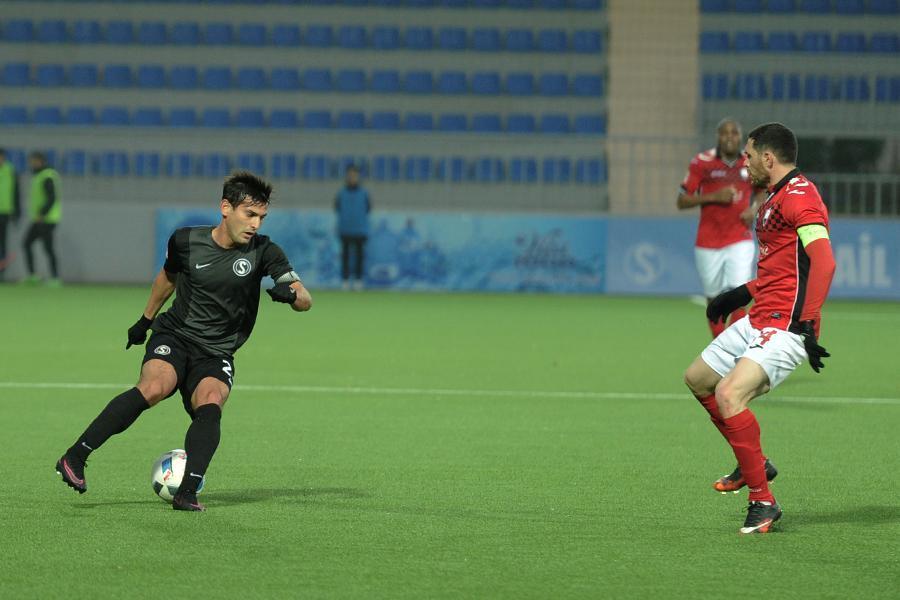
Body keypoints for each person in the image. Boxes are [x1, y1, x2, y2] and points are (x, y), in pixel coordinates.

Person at [55, 172, 312, 511]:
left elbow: (305, 298)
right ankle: (75, 457)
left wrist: (291, 295)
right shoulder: (186, 241)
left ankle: (186, 493)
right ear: (226, 208)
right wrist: (145, 320)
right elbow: (167, 278)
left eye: (261, 217)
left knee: (211, 400)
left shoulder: (264, 251)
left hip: (216, 351)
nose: (255, 224)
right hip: (175, 335)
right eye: (249, 214)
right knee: (155, 387)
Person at [683, 123, 836, 534]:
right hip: (759, 316)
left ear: (768, 158)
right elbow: (781, 270)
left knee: (729, 394)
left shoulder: (800, 197)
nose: (744, 163)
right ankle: (754, 462)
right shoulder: (773, 196)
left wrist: (808, 322)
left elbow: (823, 262)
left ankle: (763, 501)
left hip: (786, 325)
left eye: (749, 156)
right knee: (698, 379)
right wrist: (739, 294)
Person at [678, 119, 767, 338]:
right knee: (714, 299)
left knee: (739, 294)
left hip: (740, 238)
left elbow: (762, 192)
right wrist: (713, 197)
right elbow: (682, 201)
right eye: (725, 133)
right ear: (718, 136)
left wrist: (754, 210)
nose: (729, 137)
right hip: (707, 241)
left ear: (740, 137)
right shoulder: (702, 162)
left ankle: (733, 348)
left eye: (734, 133)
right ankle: (720, 346)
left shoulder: (749, 162)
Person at [22, 151, 62, 286]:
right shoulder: (39, 176)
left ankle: (55, 278)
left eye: (34, 161)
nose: (32, 164)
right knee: (27, 243)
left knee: (48, 248)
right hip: (40, 219)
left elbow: (52, 198)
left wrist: (42, 213)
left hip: (47, 219)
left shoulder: (47, 176)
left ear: (41, 161)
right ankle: (33, 276)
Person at [335, 164, 371, 290]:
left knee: (359, 257)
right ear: (347, 176)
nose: (352, 178)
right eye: (350, 175)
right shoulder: (341, 193)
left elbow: (368, 208)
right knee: (345, 256)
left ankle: (358, 280)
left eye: (355, 175)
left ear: (358, 177)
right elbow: (337, 208)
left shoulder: (364, 193)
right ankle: (345, 281)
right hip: (345, 229)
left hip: (360, 229)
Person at [0, 149, 21, 281]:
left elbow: (16, 192)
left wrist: (17, 211)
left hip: (5, 212)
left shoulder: (10, 170)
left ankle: (1, 271)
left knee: (3, 243)